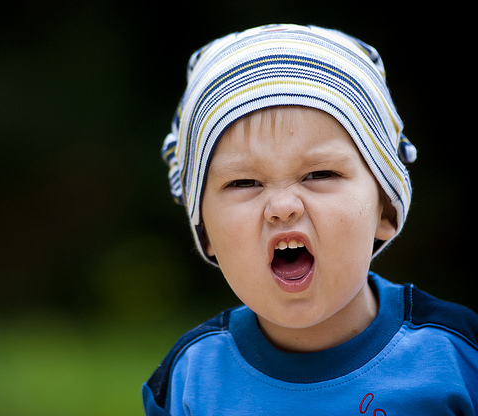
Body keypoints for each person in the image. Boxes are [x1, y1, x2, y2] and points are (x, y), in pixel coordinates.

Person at [143, 24, 478, 415]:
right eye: (244, 182)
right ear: (206, 232)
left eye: (320, 174)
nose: (283, 206)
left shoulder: (457, 356)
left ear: (385, 209)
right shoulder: (190, 381)